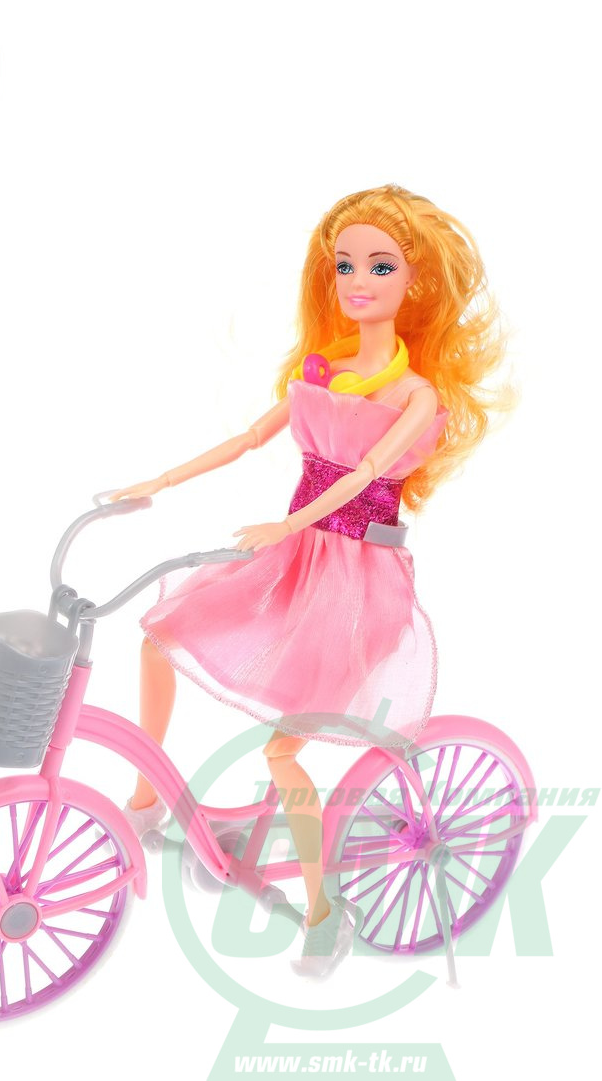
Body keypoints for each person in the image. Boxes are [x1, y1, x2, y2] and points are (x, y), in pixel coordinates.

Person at [114, 185, 508, 976]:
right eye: (344, 265)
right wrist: (157, 479)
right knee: (159, 638)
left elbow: (364, 472)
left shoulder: (415, 394)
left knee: (282, 751)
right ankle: (146, 800)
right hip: (296, 564)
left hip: (356, 585)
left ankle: (325, 915)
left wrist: (288, 525)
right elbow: (247, 439)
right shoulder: (322, 367)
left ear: (416, 282)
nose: (357, 281)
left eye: (381, 266)